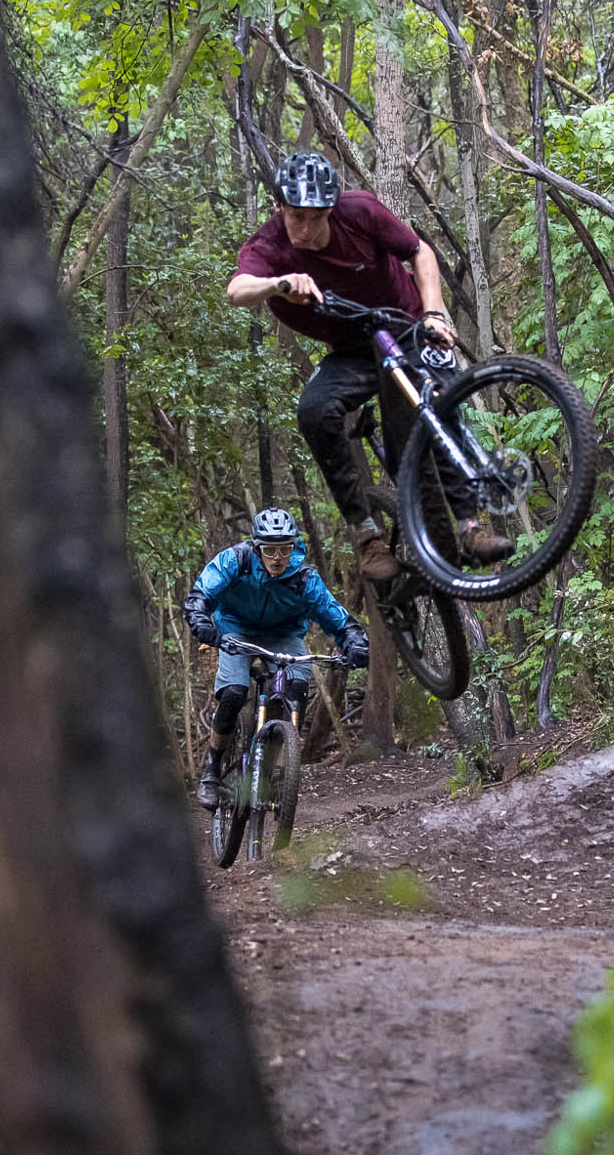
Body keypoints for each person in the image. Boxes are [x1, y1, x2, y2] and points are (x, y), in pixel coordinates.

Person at [226, 150, 512, 584]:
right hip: (351, 351)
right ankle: (366, 535)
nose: (306, 228)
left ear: (332, 209)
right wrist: (278, 284)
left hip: (406, 328)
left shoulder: (359, 211)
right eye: (297, 216)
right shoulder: (270, 245)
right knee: (314, 410)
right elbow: (237, 290)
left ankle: (471, 527)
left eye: (317, 217)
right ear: (279, 207)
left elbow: (420, 251)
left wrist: (434, 314)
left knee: (438, 401)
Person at [182, 507, 368, 808]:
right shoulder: (236, 560)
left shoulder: (304, 578)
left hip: (284, 634)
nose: (278, 557)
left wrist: (354, 642)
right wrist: (201, 621)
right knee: (234, 692)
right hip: (236, 630)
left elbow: (336, 617)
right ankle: (212, 769)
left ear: (294, 546)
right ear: (257, 548)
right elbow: (202, 593)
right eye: (270, 549)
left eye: (285, 548)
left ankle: (275, 765)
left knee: (297, 688)